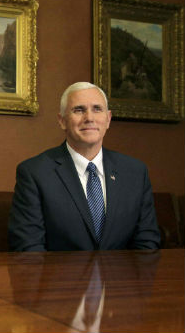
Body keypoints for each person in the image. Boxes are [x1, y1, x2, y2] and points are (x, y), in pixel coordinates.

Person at [8, 82, 160, 251]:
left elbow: (147, 244)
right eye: (79, 110)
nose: (89, 118)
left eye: (97, 109)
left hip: (122, 277)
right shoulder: (34, 173)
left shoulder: (135, 172)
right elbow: (29, 249)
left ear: (108, 119)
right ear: (62, 121)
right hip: (58, 277)